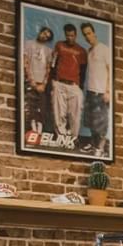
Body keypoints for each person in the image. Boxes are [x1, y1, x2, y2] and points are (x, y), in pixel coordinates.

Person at [50, 23, 88, 145]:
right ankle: (61, 137)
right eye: (68, 35)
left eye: (72, 35)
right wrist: (53, 81)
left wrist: (79, 87)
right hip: (59, 83)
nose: (70, 38)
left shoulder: (81, 51)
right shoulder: (59, 45)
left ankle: (73, 138)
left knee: (75, 115)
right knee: (59, 112)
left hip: (74, 85)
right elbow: (53, 63)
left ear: (75, 35)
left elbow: (83, 71)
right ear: (65, 35)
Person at [81, 22, 111, 157]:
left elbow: (111, 71)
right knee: (91, 121)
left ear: (94, 33)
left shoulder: (104, 49)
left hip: (101, 92)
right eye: (84, 34)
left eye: (89, 33)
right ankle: (94, 144)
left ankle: (101, 147)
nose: (87, 36)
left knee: (101, 122)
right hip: (90, 91)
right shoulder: (89, 51)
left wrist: (108, 91)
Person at [23, 26, 53, 137]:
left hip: (42, 84)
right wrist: (32, 81)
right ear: (40, 32)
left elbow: (48, 69)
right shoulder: (28, 44)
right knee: (30, 107)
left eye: (47, 36)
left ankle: (39, 131)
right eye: (44, 33)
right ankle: (30, 130)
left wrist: (44, 84)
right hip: (30, 81)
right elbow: (25, 63)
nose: (45, 36)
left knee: (42, 107)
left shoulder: (48, 51)